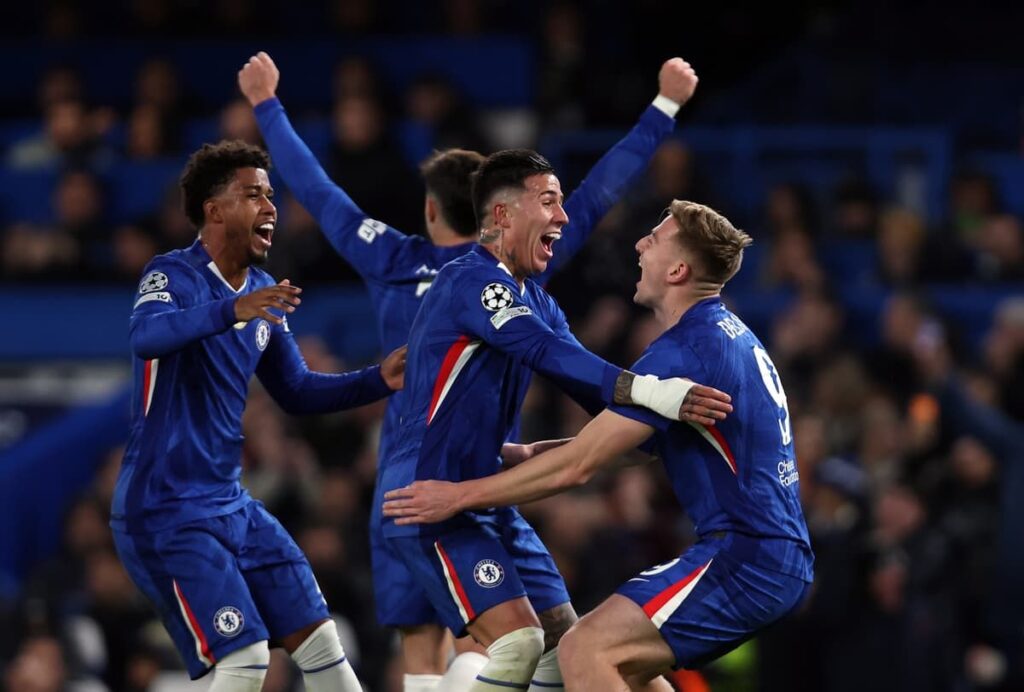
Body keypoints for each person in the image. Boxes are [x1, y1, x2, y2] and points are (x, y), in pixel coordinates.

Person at [238, 50, 702, 690]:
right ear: (500, 211)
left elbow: (317, 190)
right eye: (550, 205)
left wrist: (267, 104)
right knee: (514, 643)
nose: (562, 218)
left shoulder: (398, 259)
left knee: (451, 650)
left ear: (431, 211)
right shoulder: (480, 281)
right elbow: (602, 189)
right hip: (427, 483)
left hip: (471, 474)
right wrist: (664, 106)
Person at [384, 200, 815, 690]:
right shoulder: (723, 336)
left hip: (745, 558)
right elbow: (622, 449)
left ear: (677, 270)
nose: (638, 244)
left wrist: (459, 495)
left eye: (653, 238)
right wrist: (523, 454)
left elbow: (580, 466)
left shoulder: (687, 350)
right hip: (766, 555)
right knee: (615, 658)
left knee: (586, 650)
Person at [110, 140, 405, 692]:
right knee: (246, 659)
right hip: (165, 508)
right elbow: (146, 337)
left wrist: (377, 379)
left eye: (271, 195)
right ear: (214, 209)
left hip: (231, 503)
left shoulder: (263, 291)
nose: (271, 207)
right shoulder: (171, 276)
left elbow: (295, 390)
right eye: (254, 195)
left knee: (323, 646)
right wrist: (230, 310)